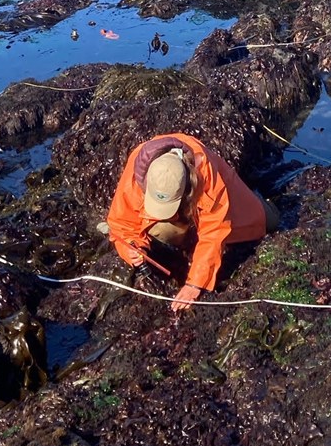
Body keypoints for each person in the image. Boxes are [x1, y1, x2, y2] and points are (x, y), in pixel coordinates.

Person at [104, 132, 279, 312]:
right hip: (185, 214)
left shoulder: (204, 169)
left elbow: (214, 230)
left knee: (268, 222)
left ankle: (261, 199)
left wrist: (195, 284)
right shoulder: (137, 168)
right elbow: (121, 224)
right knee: (161, 229)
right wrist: (133, 248)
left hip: (226, 196)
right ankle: (188, 243)